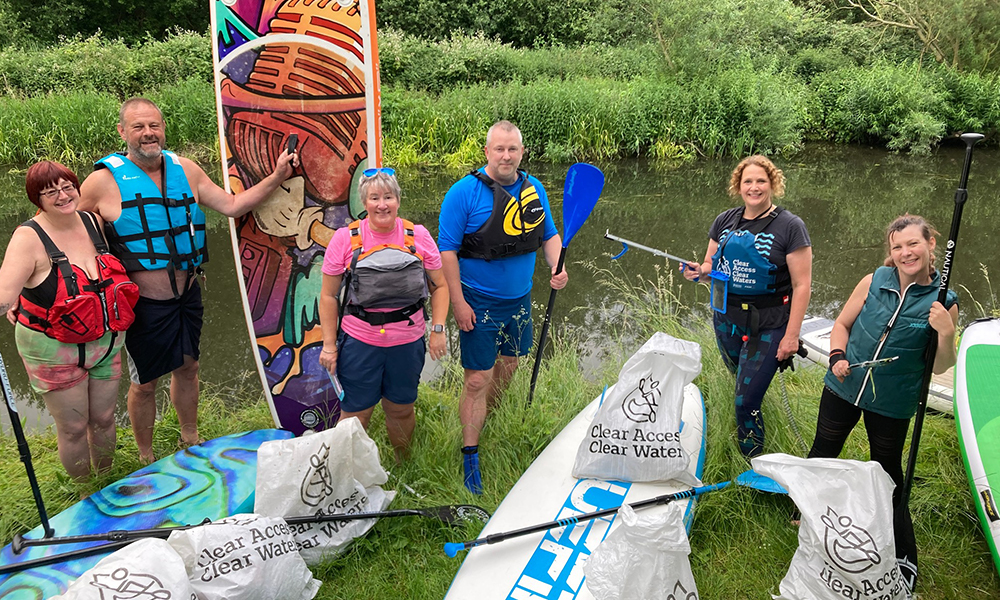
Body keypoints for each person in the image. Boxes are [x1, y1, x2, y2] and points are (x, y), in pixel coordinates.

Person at [78, 97, 298, 463]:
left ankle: (190, 437)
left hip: (187, 294)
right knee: (145, 383)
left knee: (189, 367)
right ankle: (146, 456)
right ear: (122, 132)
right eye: (138, 127)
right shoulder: (102, 182)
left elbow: (233, 206)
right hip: (142, 305)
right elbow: (64, 228)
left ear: (163, 127)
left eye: (154, 125)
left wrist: (277, 176)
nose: (148, 133)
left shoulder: (188, 170)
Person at [807, 214, 957, 595]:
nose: (906, 253)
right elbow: (841, 325)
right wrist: (837, 356)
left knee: (887, 470)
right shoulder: (874, 280)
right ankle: (803, 514)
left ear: (931, 244)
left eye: (913, 244)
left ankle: (897, 546)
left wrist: (946, 332)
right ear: (891, 251)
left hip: (892, 401)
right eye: (898, 246)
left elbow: (941, 366)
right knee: (823, 450)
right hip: (844, 384)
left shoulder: (944, 301)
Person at [438, 120, 567, 494]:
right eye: (499, 149)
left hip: (519, 301)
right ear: (487, 152)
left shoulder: (533, 188)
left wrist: (557, 266)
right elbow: (446, 251)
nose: (506, 156)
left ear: (521, 152)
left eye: (512, 149)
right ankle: (470, 454)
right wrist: (458, 303)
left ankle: (485, 421)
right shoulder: (463, 193)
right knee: (477, 378)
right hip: (478, 302)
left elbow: (549, 235)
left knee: (509, 366)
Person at [0, 161, 138, 481]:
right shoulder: (28, 237)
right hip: (53, 350)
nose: (62, 196)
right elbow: (5, 293)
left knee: (104, 418)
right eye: (50, 192)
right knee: (74, 428)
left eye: (67, 187)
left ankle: (105, 482)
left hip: (105, 343)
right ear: (37, 199)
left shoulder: (93, 221)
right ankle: (85, 491)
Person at [683, 155, 812, 457]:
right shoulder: (724, 220)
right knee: (741, 384)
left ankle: (752, 459)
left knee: (745, 400)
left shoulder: (790, 226)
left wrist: (791, 337)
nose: (754, 187)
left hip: (769, 324)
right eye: (748, 181)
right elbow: (710, 266)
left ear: (773, 184)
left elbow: (802, 285)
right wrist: (698, 272)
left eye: (761, 181)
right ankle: (750, 439)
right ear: (738, 186)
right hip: (726, 319)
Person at [317, 169, 448, 459]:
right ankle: (345, 470)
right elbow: (327, 296)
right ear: (364, 202)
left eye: (388, 197)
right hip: (359, 343)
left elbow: (440, 286)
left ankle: (403, 463)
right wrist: (329, 345)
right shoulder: (345, 239)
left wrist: (438, 330)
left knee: (401, 409)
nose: (382, 205)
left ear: (398, 200)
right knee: (356, 413)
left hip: (407, 343)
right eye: (374, 198)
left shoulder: (419, 236)